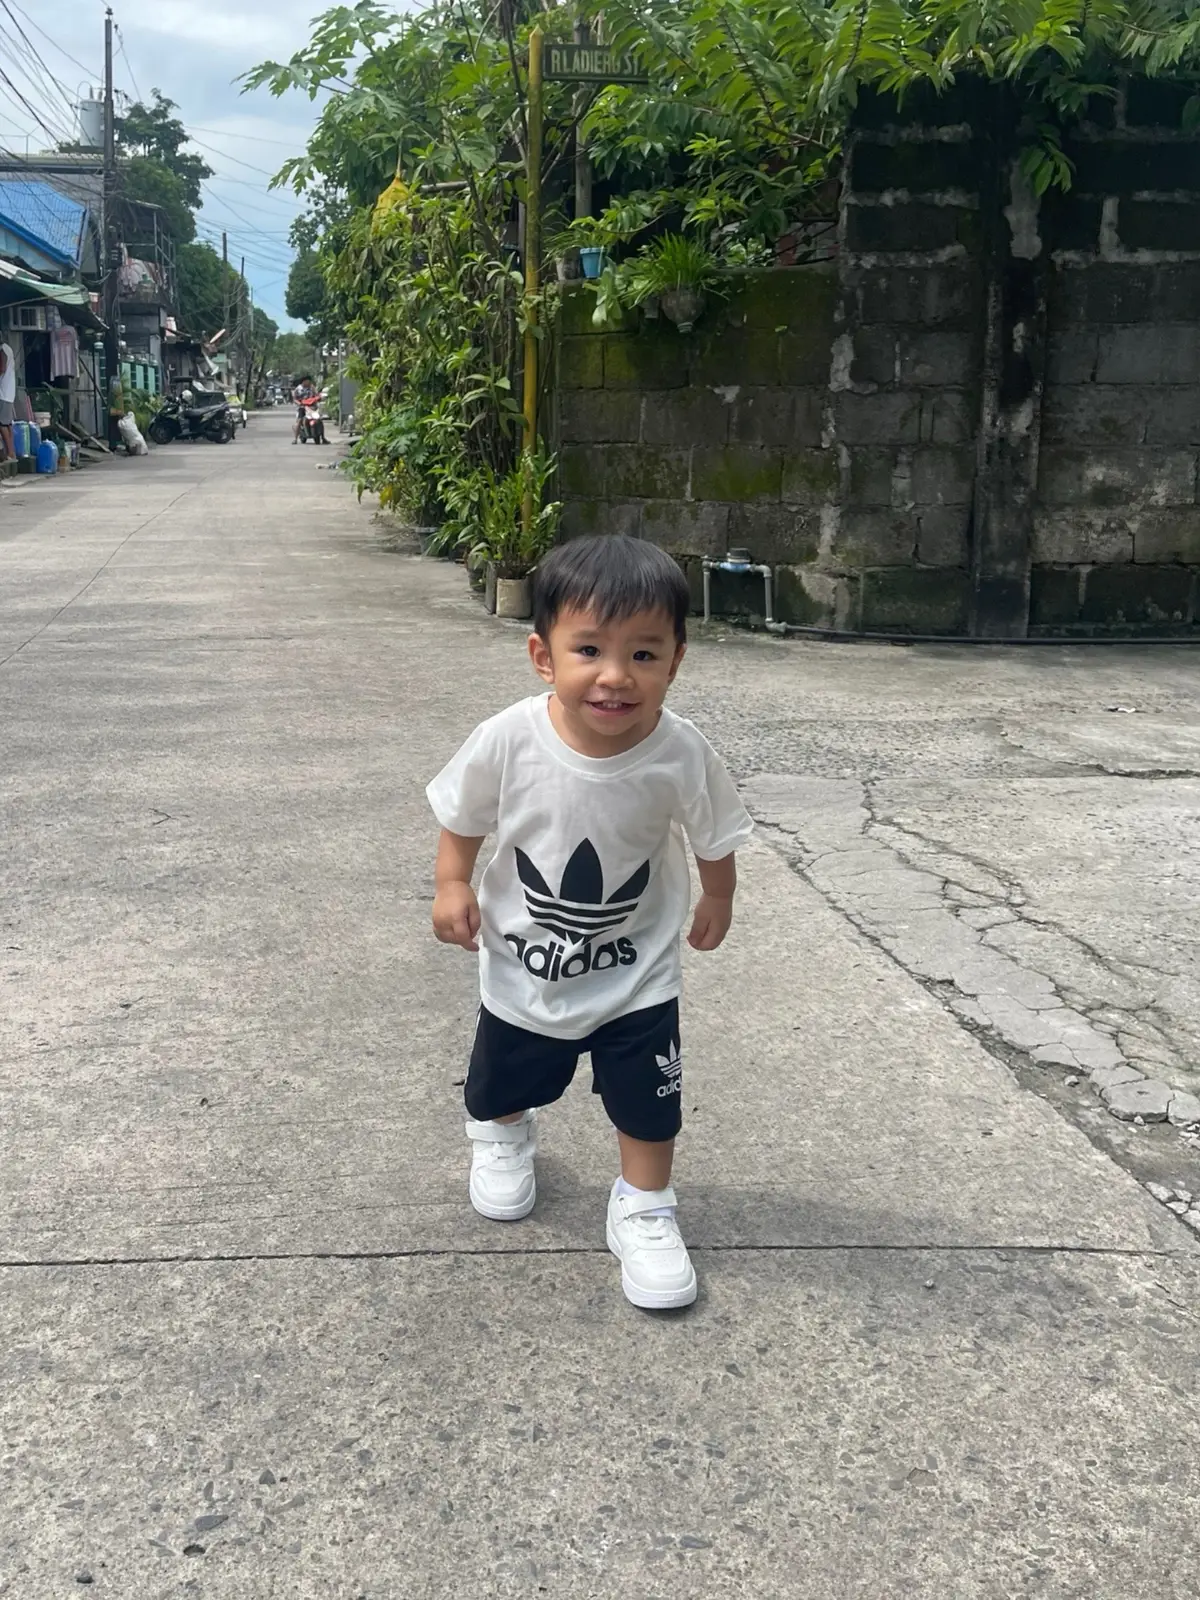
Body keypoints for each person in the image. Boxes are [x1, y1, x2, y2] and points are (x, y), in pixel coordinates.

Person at [426, 535, 753, 1310]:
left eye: (644, 654)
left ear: (676, 659)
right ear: (544, 657)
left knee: (650, 1097)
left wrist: (719, 898)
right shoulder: (510, 738)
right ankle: (503, 1136)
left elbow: (715, 833)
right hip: (524, 964)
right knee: (507, 1076)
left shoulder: (680, 750)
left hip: (638, 973)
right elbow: (462, 816)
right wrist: (450, 883)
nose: (616, 676)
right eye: (590, 650)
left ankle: (644, 1205)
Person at [0, 338, 15, 462]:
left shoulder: (2, 350)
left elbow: (2, 369)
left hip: (3, 393)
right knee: (7, 424)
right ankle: (11, 453)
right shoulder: (8, 348)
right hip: (9, 392)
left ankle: (10, 453)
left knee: (2, 424)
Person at [292, 374, 316, 443]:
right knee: (299, 421)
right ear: (304, 381)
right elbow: (294, 399)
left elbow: (316, 395)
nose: (309, 383)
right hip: (302, 408)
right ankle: (295, 439)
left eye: (309, 381)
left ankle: (323, 438)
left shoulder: (312, 387)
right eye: (307, 381)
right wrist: (299, 403)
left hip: (312, 407)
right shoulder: (298, 389)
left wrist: (318, 398)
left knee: (319, 420)